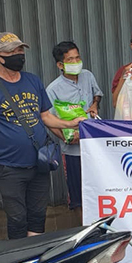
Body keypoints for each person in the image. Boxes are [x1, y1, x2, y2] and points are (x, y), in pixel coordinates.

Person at [0, 32, 85, 239]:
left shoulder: (33, 81)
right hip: (9, 168)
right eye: (11, 52)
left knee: (38, 214)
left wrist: (70, 123)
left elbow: (45, 116)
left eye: (20, 50)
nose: (18, 55)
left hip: (40, 161)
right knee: (17, 218)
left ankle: (34, 252)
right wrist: (1, 152)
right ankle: (19, 254)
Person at [46, 41, 103, 210]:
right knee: (78, 196)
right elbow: (48, 120)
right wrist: (65, 138)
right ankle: (81, 224)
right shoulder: (53, 89)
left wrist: (95, 105)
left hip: (95, 146)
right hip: (73, 151)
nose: (76, 62)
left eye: (77, 58)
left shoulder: (87, 76)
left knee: (100, 189)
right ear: (60, 65)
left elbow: (97, 93)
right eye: (70, 60)